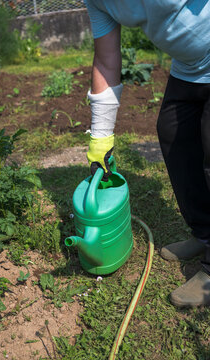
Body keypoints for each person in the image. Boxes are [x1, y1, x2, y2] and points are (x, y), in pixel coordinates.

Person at [84, 0, 210, 307]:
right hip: (190, 70)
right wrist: (100, 138)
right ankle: (205, 234)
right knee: (173, 136)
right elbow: (106, 59)